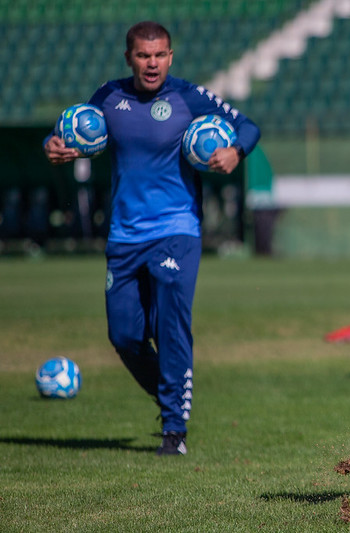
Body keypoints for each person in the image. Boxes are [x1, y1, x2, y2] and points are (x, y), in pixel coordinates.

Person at [43, 21, 261, 455]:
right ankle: (172, 390)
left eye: (160, 55)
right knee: (124, 335)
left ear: (171, 56)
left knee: (169, 326)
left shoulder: (189, 97)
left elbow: (248, 126)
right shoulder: (109, 97)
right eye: (143, 56)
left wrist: (235, 151)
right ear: (129, 58)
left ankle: (174, 429)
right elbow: (71, 132)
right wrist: (54, 144)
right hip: (124, 235)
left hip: (176, 230)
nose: (152, 63)